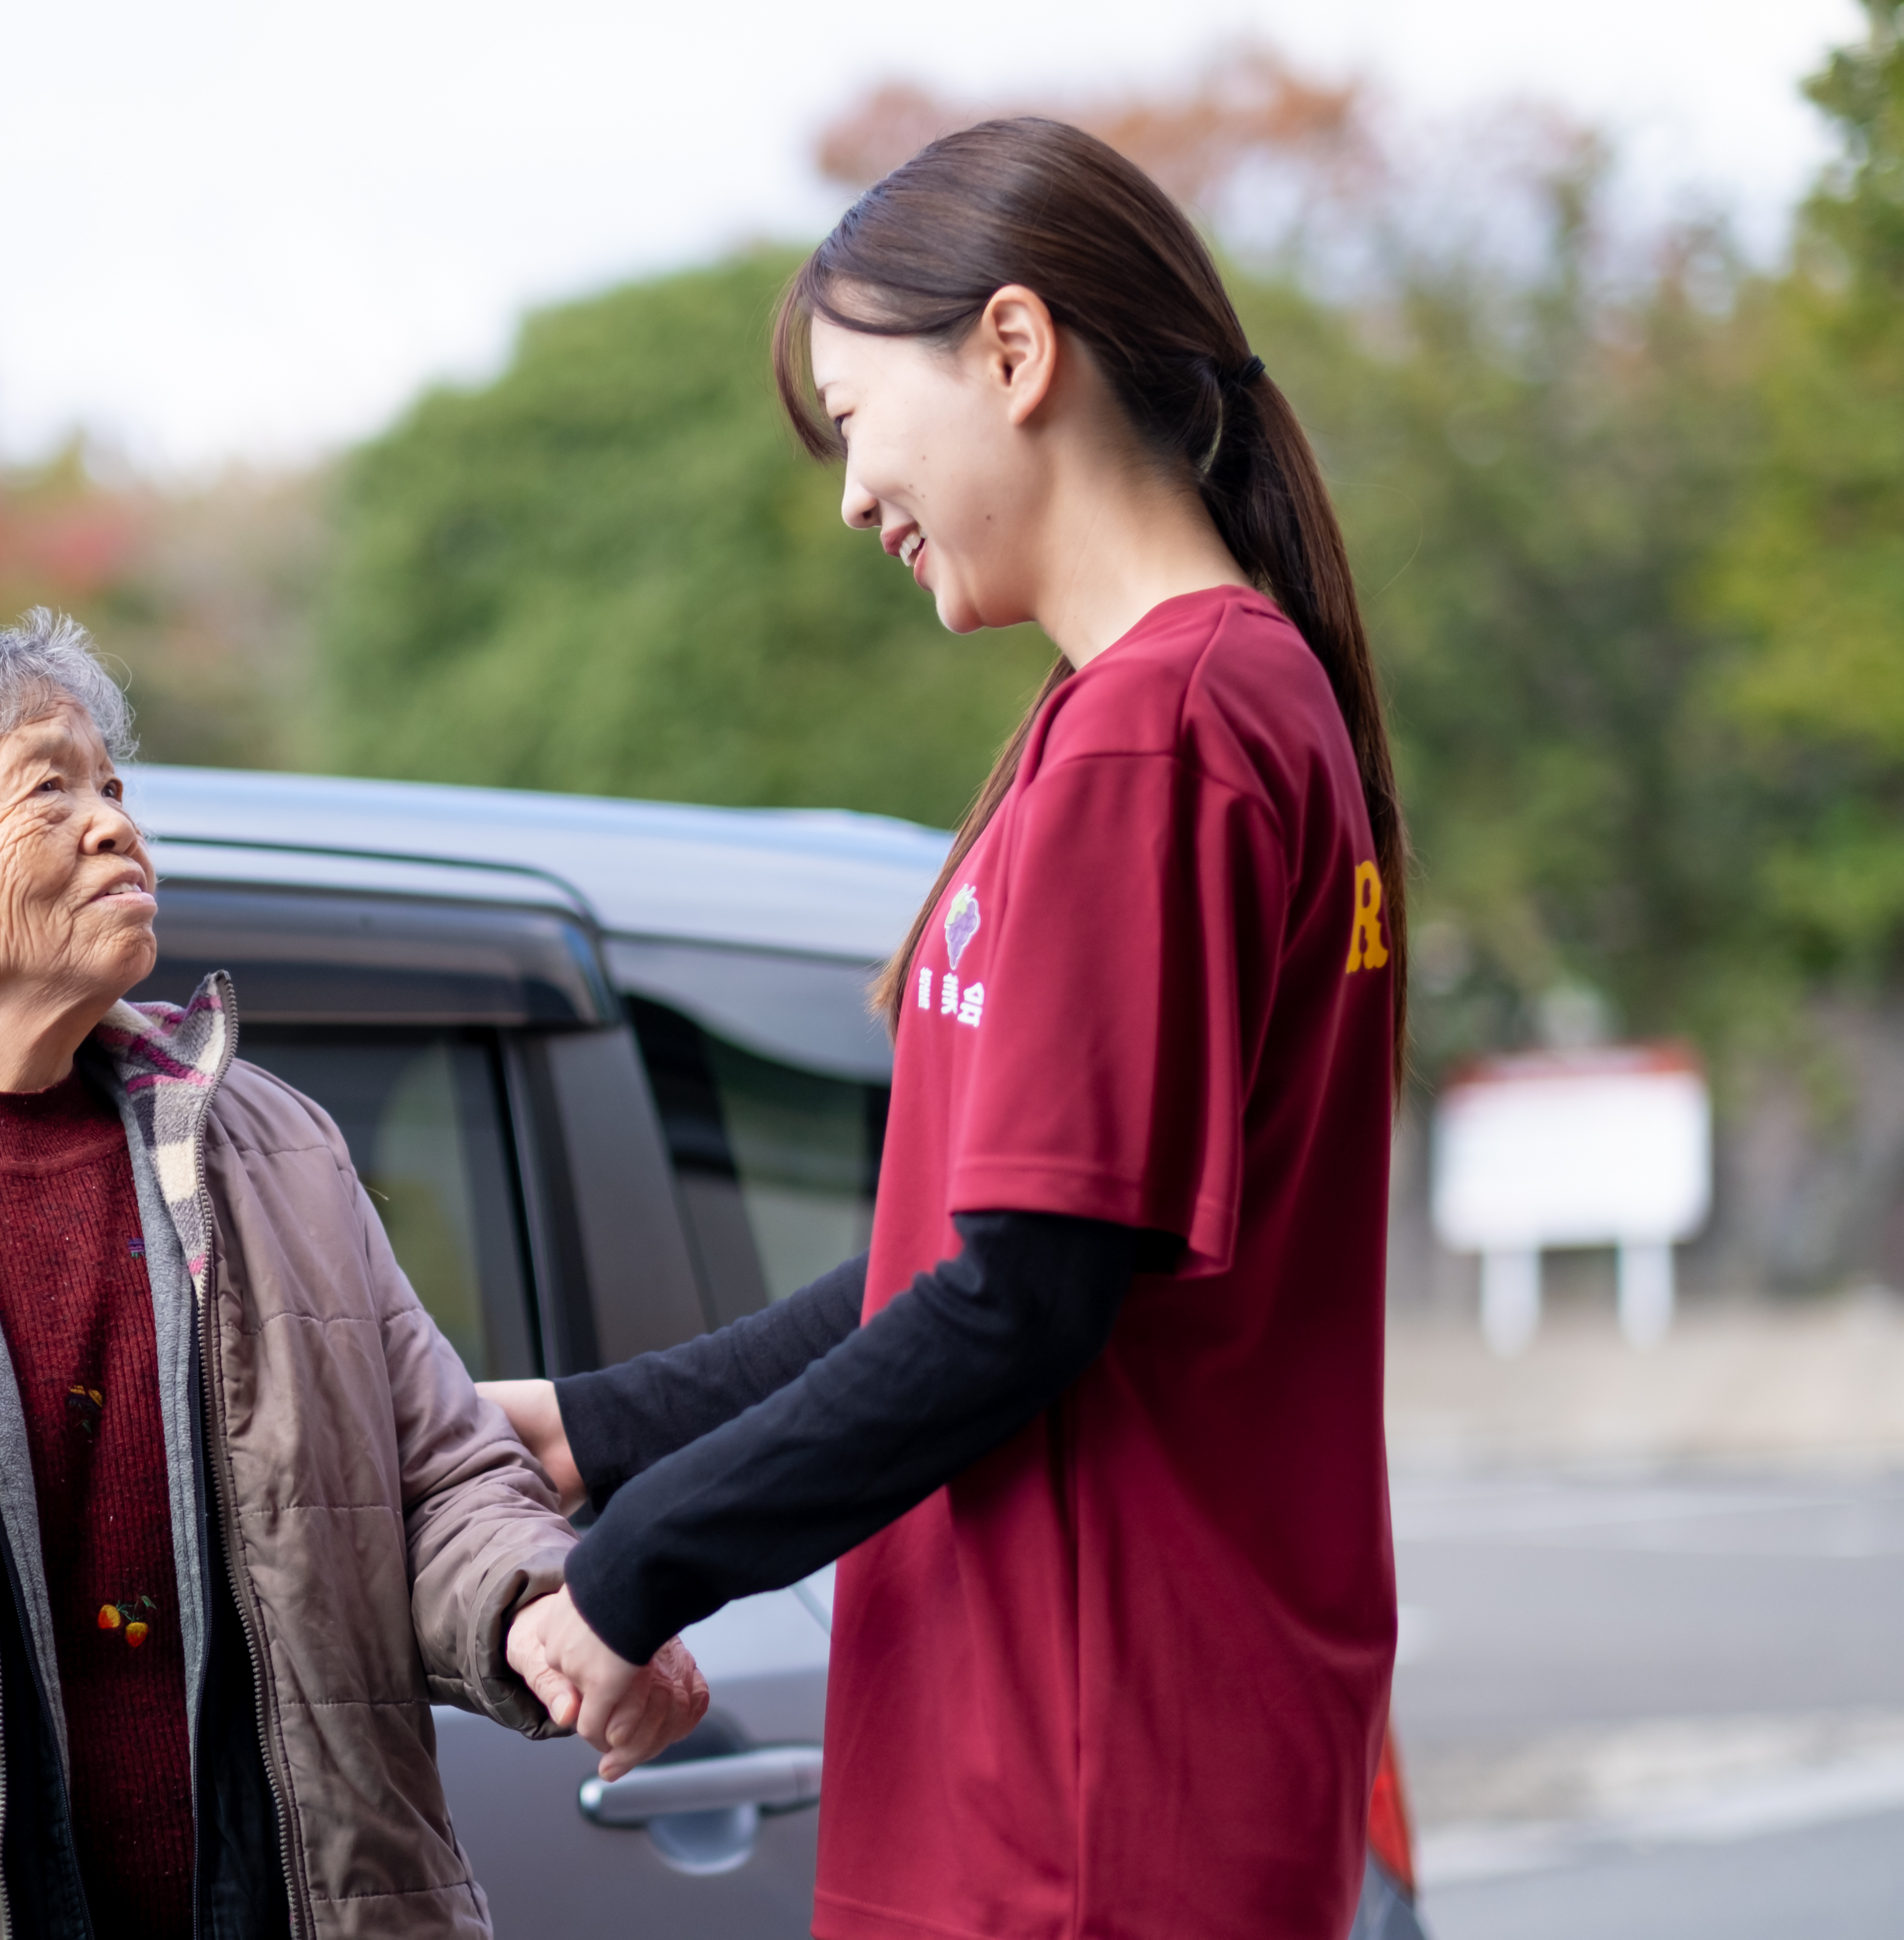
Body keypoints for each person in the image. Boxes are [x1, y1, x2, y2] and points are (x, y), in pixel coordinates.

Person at [491, 117, 1406, 1939]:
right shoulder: (1173, 708)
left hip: (1091, 1804)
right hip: (1077, 1782)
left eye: (854, 419)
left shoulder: (1168, 727)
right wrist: (594, 1428)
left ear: (1012, 348)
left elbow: (1017, 1303)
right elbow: (973, 1256)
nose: (852, 497)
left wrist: (630, 1573)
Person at [0, 612, 706, 1940]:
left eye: (113, 787)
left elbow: (436, 1481)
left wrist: (547, 1607)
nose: (115, 824)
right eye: (47, 788)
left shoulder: (269, 1145)